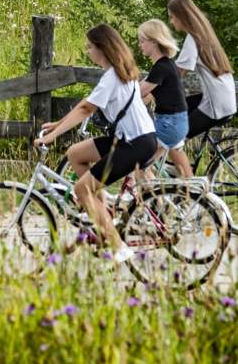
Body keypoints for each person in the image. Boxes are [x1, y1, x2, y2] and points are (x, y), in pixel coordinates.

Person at [34, 23, 156, 263]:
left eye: (90, 47)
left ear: (103, 48)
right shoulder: (120, 72)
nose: (88, 51)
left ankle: (118, 247)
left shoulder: (112, 77)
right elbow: (88, 104)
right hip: (133, 138)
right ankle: (103, 213)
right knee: (75, 154)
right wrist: (58, 124)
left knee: (81, 189)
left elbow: (86, 108)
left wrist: (51, 137)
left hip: (135, 143)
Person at [165, 0, 236, 177]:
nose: (171, 22)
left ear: (182, 16)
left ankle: (192, 191)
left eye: (172, 17)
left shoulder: (193, 39)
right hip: (221, 98)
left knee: (172, 138)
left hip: (215, 103)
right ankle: (178, 173)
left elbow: (178, 72)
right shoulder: (203, 33)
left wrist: (153, 90)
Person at [137, 19, 189, 166]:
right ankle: (148, 189)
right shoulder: (165, 65)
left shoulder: (162, 67)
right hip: (172, 122)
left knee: (137, 160)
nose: (140, 45)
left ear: (154, 41)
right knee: (144, 165)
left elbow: (139, 92)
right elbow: (142, 91)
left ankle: (140, 188)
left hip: (170, 124)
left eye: (142, 41)